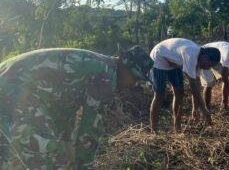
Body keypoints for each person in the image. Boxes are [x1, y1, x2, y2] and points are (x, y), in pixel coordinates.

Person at [0, 46, 153, 169]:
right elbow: (89, 132)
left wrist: (69, 151)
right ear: (123, 65)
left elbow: (63, 111)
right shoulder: (104, 77)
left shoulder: (98, 66)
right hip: (13, 90)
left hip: (10, 84)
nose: (132, 84)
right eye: (134, 77)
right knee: (52, 157)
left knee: (4, 155)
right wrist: (83, 165)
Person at [149, 38, 221, 133]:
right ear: (205, 57)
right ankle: (154, 130)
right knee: (159, 95)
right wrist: (204, 110)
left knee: (179, 93)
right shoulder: (191, 55)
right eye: (209, 65)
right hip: (159, 56)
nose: (208, 68)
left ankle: (177, 127)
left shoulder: (199, 61)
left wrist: (195, 108)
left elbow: (196, 85)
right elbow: (193, 85)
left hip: (174, 61)